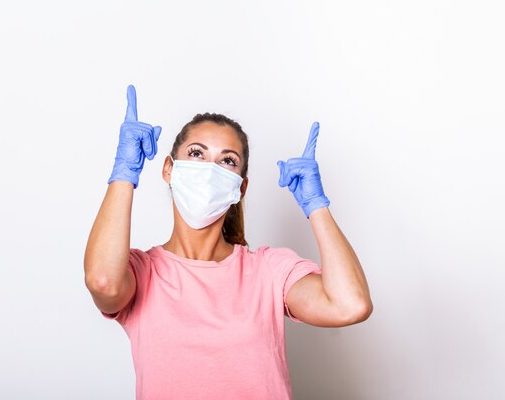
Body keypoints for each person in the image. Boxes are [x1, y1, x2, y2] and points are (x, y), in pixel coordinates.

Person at [84, 85, 373, 400]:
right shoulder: (142, 272)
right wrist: (124, 173)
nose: (209, 170)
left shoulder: (269, 270)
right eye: (197, 153)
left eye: (227, 161)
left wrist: (316, 205)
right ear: (169, 169)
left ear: (240, 187)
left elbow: (350, 304)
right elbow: (102, 282)